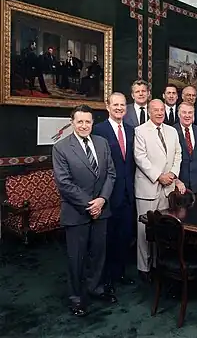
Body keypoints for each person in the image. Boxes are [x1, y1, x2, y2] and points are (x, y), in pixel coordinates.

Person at [52, 104, 117, 317]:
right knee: (76, 258)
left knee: (99, 254)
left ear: (92, 123)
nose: (84, 125)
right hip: (77, 212)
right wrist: (91, 204)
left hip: (102, 210)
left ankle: (95, 288)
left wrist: (102, 200)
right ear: (72, 123)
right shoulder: (61, 148)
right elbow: (64, 183)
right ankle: (76, 298)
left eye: (87, 121)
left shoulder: (102, 142)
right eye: (79, 121)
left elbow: (110, 174)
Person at [133, 99, 182, 279]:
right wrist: (158, 176)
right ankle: (144, 268)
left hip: (167, 188)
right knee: (144, 230)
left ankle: (157, 265)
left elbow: (178, 154)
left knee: (162, 230)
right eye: (156, 110)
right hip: (148, 187)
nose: (160, 113)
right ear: (149, 111)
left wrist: (173, 175)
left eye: (162, 110)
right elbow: (140, 158)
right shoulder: (140, 131)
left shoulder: (172, 131)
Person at [93, 93, 135, 292]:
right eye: (115, 105)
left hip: (128, 193)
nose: (119, 108)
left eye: (122, 105)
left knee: (124, 236)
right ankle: (106, 280)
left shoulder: (131, 130)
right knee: (107, 239)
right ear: (107, 106)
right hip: (108, 194)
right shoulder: (98, 130)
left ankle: (120, 274)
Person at [174, 102, 197, 197]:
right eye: (184, 112)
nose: (187, 115)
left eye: (190, 113)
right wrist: (175, 180)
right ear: (179, 114)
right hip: (179, 185)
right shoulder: (172, 131)